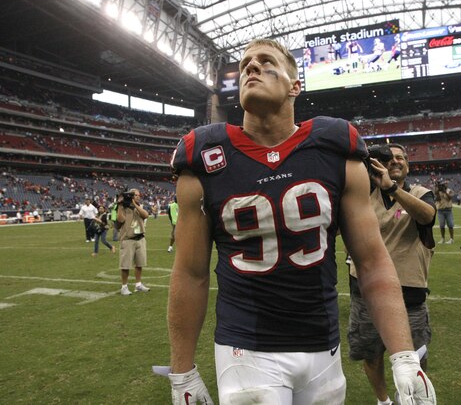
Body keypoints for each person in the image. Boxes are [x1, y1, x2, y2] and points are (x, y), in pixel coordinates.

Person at [166, 38, 435, 405]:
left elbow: (371, 261)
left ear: (295, 86)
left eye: (264, 61)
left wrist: (403, 355)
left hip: (322, 346)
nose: (251, 67)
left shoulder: (334, 147)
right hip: (246, 349)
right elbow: (190, 272)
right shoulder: (206, 155)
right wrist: (182, 370)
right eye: (245, 64)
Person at [348, 143, 436, 405]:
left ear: (408, 164)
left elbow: (427, 217)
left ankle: (407, 397)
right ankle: (383, 401)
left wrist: (391, 188)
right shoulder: (362, 195)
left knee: (415, 359)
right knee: (371, 354)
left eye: (401, 158)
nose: (395, 161)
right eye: (388, 158)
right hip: (366, 291)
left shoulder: (421, 193)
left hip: (410, 291)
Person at [115, 189, 150, 296]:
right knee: (125, 265)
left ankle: (138, 285)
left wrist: (134, 204)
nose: (138, 196)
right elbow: (120, 220)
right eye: (135, 195)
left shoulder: (139, 206)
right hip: (128, 239)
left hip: (140, 238)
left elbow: (145, 215)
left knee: (139, 264)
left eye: (139, 195)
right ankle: (124, 287)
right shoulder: (123, 207)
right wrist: (120, 205)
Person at [434, 180, 455, 244]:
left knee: (450, 225)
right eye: (444, 184)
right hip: (440, 210)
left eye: (445, 184)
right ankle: (443, 238)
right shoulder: (438, 191)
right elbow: (437, 199)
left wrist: (445, 192)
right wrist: (437, 191)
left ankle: (451, 239)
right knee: (442, 225)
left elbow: (450, 198)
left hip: (448, 210)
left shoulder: (449, 190)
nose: (445, 185)